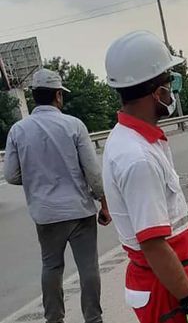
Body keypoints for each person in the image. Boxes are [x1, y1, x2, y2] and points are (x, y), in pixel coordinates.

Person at [102, 31, 188, 323]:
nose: (172, 89)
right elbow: (153, 244)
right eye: (170, 81)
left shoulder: (135, 139)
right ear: (156, 92)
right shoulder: (137, 157)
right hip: (166, 287)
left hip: (172, 278)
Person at [3, 69, 110, 323]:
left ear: (34, 97)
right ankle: (93, 318)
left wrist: (36, 180)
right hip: (80, 211)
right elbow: (93, 173)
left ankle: (54, 319)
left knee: (51, 267)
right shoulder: (74, 125)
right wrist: (104, 204)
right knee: (88, 267)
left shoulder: (18, 130)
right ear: (58, 95)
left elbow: (11, 175)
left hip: (45, 214)